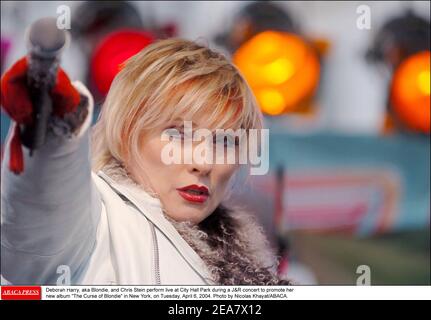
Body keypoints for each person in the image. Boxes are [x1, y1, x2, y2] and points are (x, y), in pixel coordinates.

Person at [1, 38, 289, 285]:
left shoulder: (249, 259)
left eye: (225, 141)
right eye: (178, 134)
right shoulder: (95, 224)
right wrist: (51, 135)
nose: (204, 163)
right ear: (127, 133)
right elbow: (40, 219)